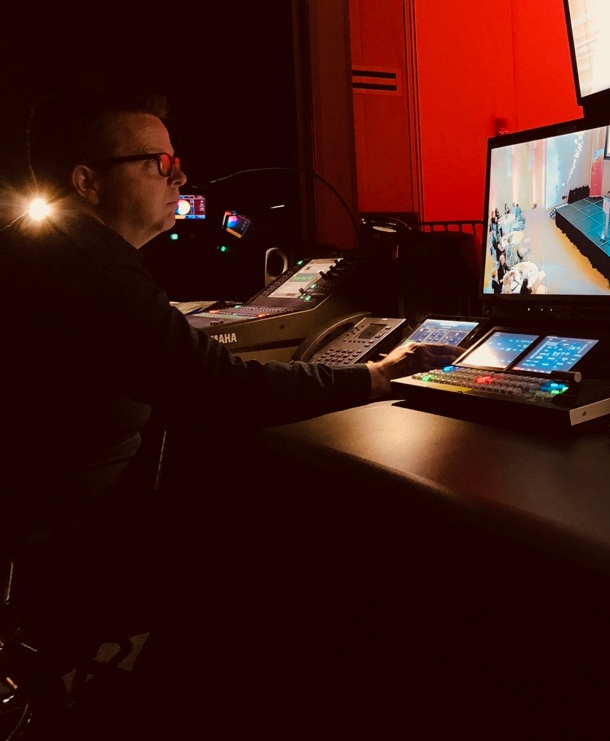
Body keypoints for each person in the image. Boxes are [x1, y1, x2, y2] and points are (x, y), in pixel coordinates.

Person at [0, 88, 462, 674]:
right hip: (59, 536)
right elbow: (228, 390)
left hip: (46, 515)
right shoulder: (93, 274)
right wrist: (376, 375)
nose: (179, 176)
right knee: (283, 529)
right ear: (87, 181)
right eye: (157, 163)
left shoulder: (47, 251)